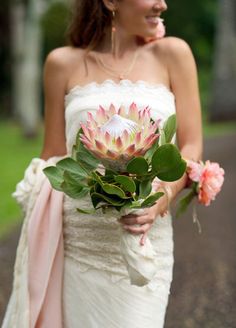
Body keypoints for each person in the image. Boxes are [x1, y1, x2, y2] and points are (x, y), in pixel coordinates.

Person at [2, 0, 202, 327]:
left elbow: (191, 145)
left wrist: (162, 197)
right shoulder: (61, 63)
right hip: (79, 244)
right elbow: (54, 153)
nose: (162, 4)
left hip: (144, 238)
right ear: (110, 1)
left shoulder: (173, 54)